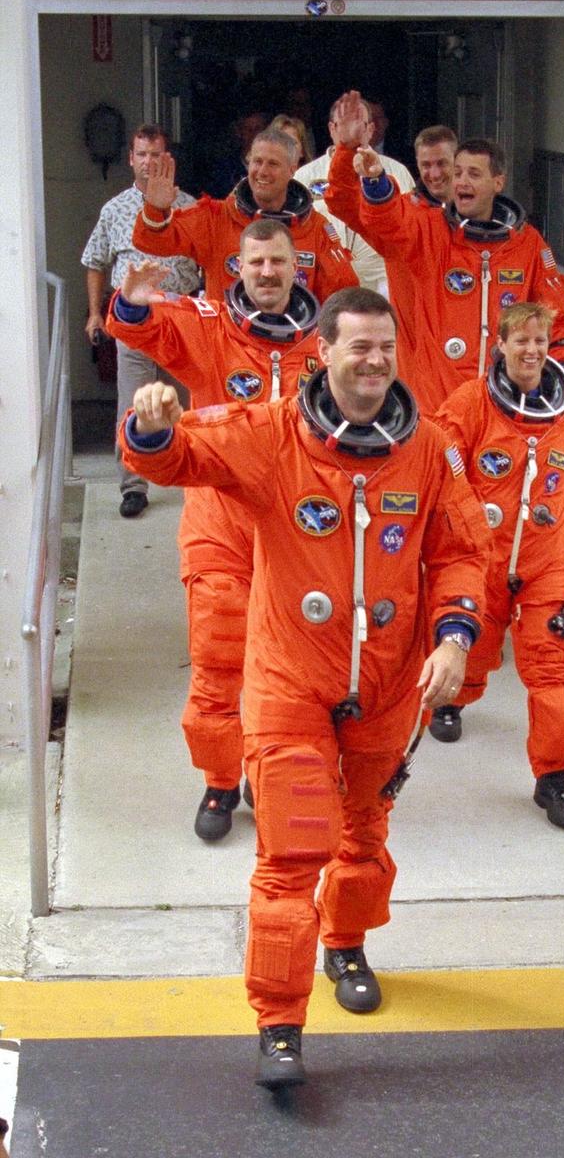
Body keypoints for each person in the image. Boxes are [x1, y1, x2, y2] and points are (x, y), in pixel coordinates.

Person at [120, 288, 490, 1089]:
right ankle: (280, 1023)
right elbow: (178, 457)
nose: (375, 361)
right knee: (291, 853)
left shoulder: (427, 449)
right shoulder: (273, 434)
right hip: (290, 680)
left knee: (364, 840)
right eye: (359, 347)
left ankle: (346, 944)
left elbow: (462, 550)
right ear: (323, 353)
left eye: (385, 347)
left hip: (386, 686)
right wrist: (152, 426)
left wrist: (454, 636)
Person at [106, 219, 325, 842]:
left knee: (298, 674)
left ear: (297, 267)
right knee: (219, 660)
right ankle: (221, 780)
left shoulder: (326, 343)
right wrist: (132, 301)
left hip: (301, 535)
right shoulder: (212, 326)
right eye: (255, 262)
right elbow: (144, 325)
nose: (267, 273)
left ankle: (269, 766)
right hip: (221, 528)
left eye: (277, 262)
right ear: (239, 268)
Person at [432, 303, 564, 827]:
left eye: (540, 341)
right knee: (476, 647)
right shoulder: (470, 403)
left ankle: (553, 776)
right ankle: (454, 699)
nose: (532, 351)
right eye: (521, 341)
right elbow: (438, 468)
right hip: (482, 557)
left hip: (547, 560)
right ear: (501, 346)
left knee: (551, 668)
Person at [326, 90, 564, 414]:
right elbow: (374, 215)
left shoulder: (525, 243)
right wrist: (360, 163)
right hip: (434, 401)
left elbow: (556, 317)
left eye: (471, 174)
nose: (456, 180)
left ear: (498, 182)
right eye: (457, 172)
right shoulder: (423, 228)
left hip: (504, 407)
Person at [81, 123, 200, 517]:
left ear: (168, 159)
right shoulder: (114, 209)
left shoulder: (190, 207)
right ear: (131, 159)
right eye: (142, 154)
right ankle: (133, 485)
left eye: (156, 154)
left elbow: (210, 265)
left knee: (182, 402)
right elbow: (95, 262)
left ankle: (190, 479)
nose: (149, 162)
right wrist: (95, 313)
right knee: (133, 401)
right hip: (133, 321)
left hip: (179, 319)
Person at [132, 127, 357, 302]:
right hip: (227, 342)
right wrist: (155, 208)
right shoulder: (216, 217)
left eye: (273, 164)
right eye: (257, 162)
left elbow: (342, 294)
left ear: (292, 170)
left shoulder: (315, 227)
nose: (262, 171)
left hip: (293, 342)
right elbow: (150, 241)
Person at [295, 96, 415, 298]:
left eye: (359, 125)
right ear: (332, 129)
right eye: (345, 125)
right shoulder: (304, 176)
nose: (352, 132)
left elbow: (409, 234)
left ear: (370, 129)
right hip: (325, 286)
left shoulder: (398, 172)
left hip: (382, 286)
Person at [413, 124, 458, 206]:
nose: (435, 175)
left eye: (442, 163)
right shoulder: (404, 211)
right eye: (426, 165)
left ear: (457, 160)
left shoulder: (478, 207)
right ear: (418, 164)